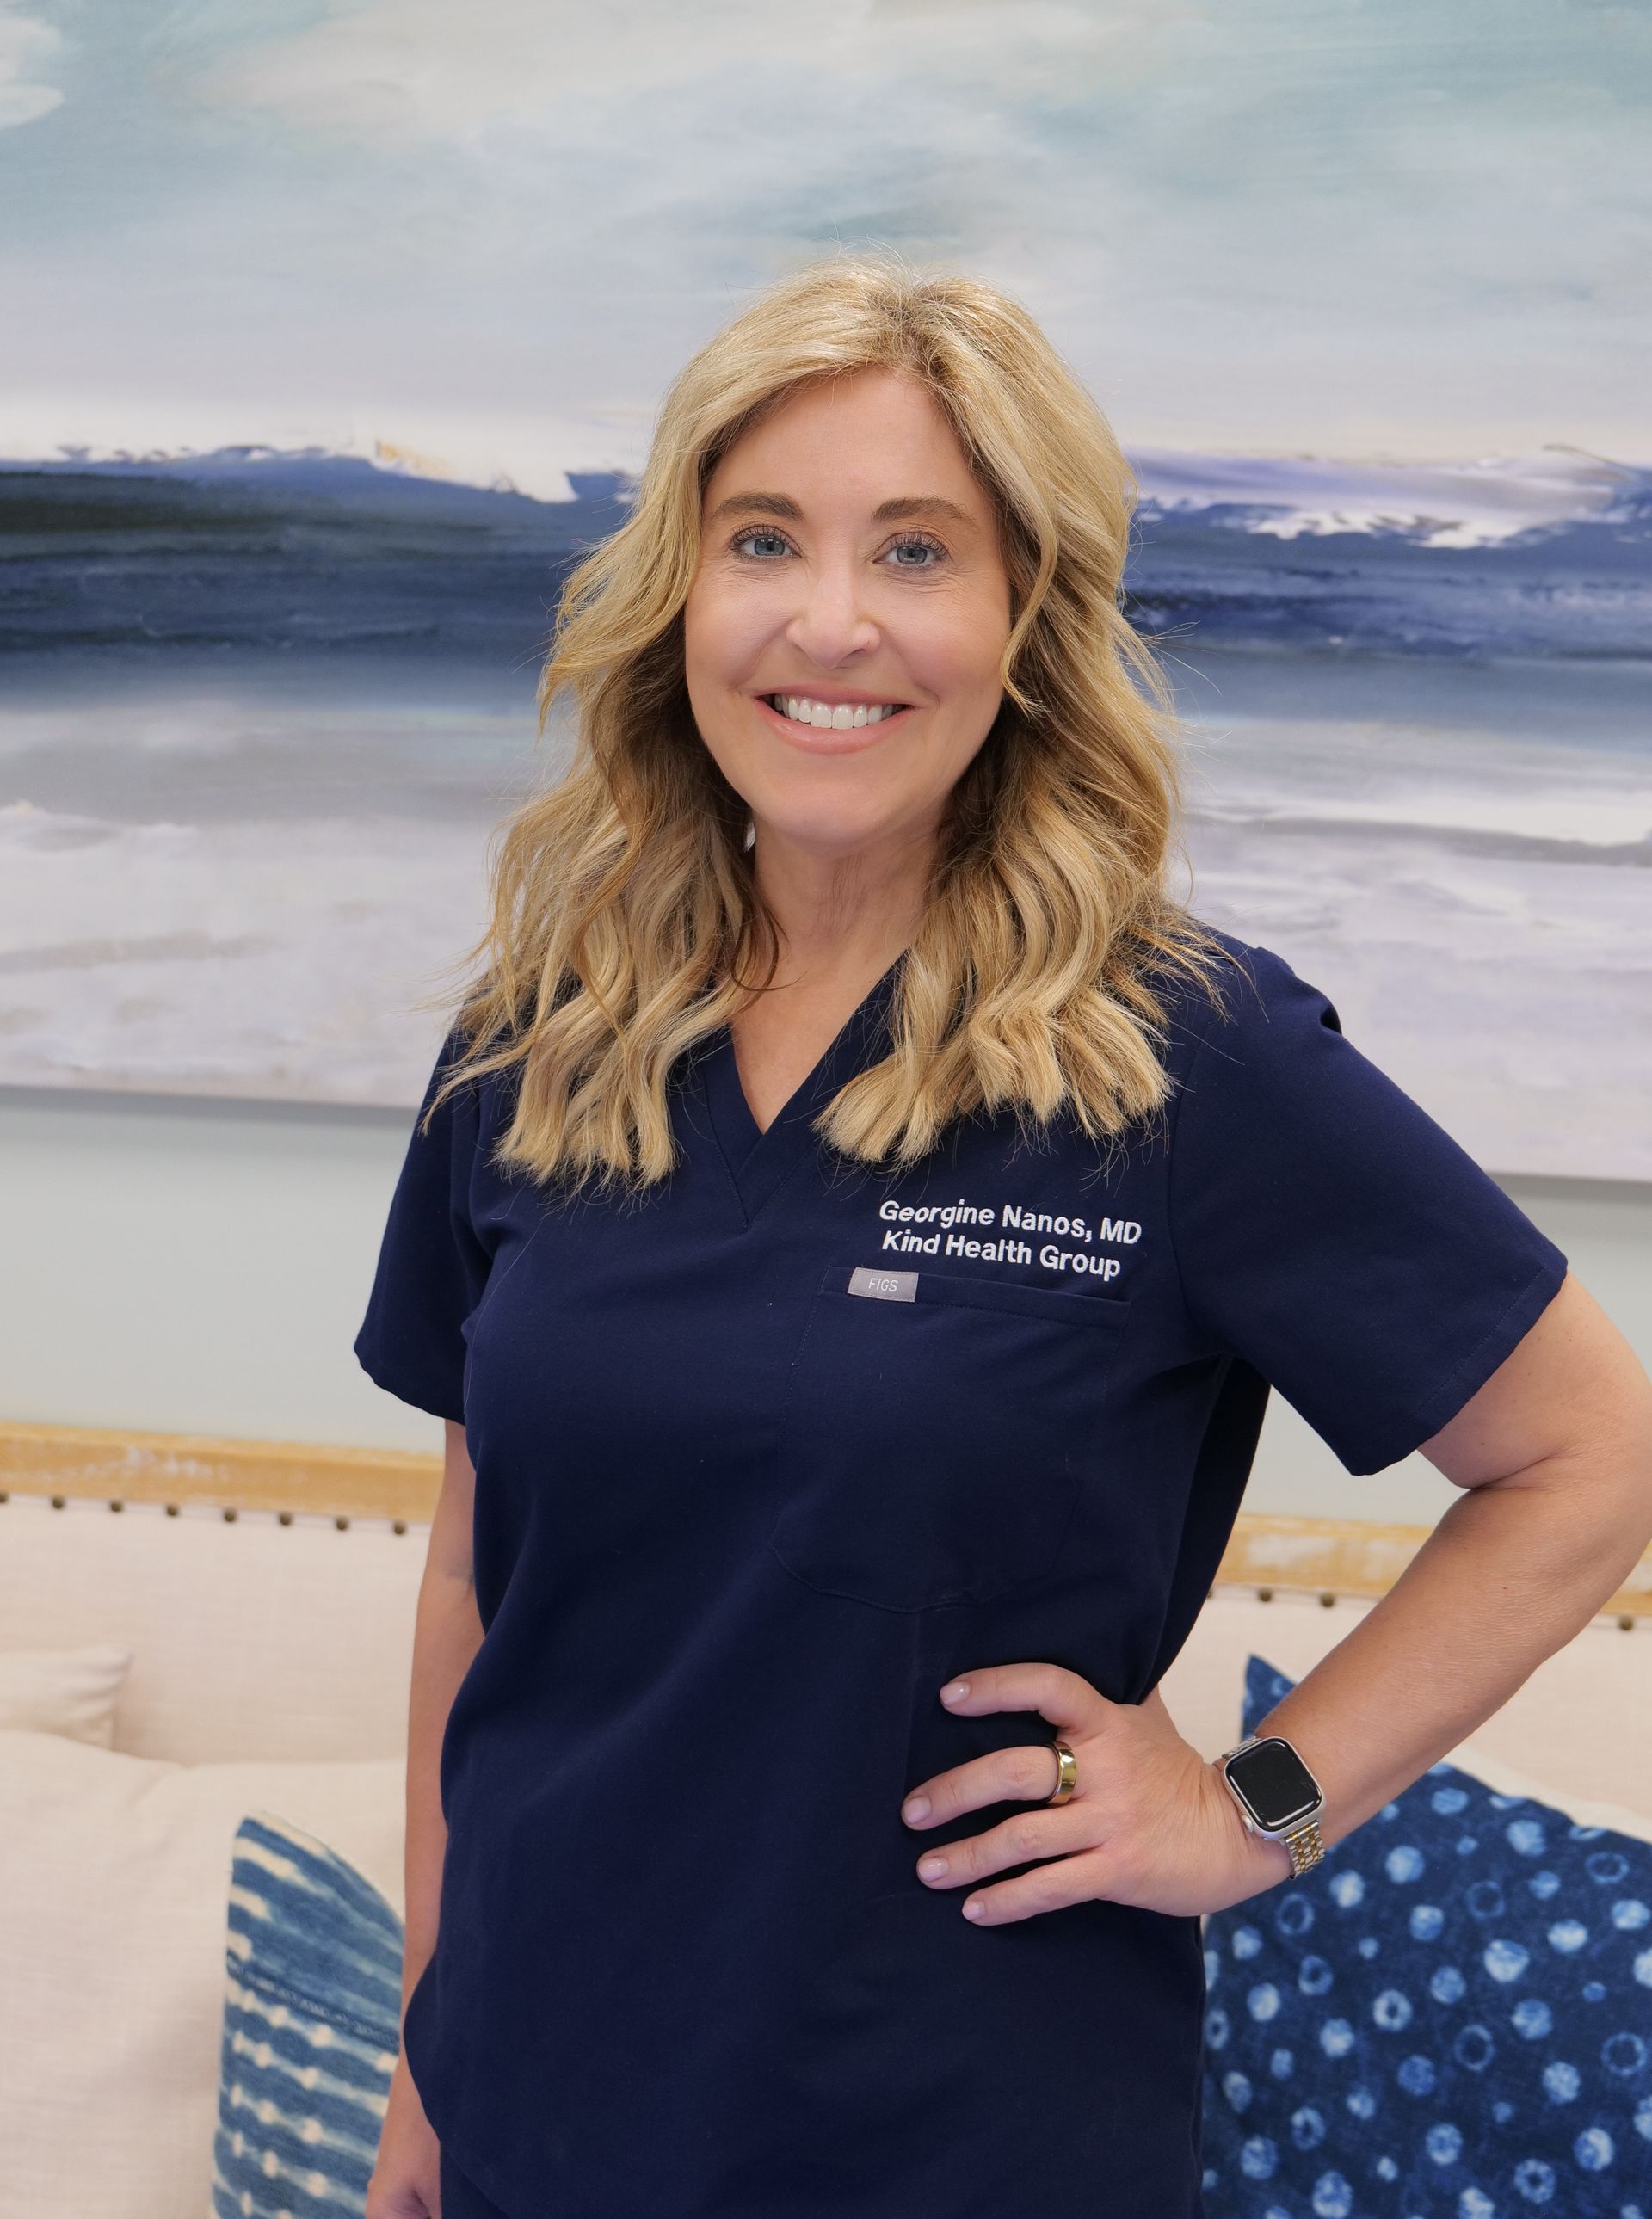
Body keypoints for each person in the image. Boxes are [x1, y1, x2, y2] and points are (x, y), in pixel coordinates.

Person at [354, 253, 1652, 2219]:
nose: (831, 621)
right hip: (536, 2114)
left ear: (1027, 614)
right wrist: (424, 2065)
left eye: (919, 551)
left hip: (955, 2146)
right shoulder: (541, 1039)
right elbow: (481, 1581)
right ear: (679, 594)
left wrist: (1249, 1812)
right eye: (765, 538)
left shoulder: (1182, 1058)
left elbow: (1589, 1452)